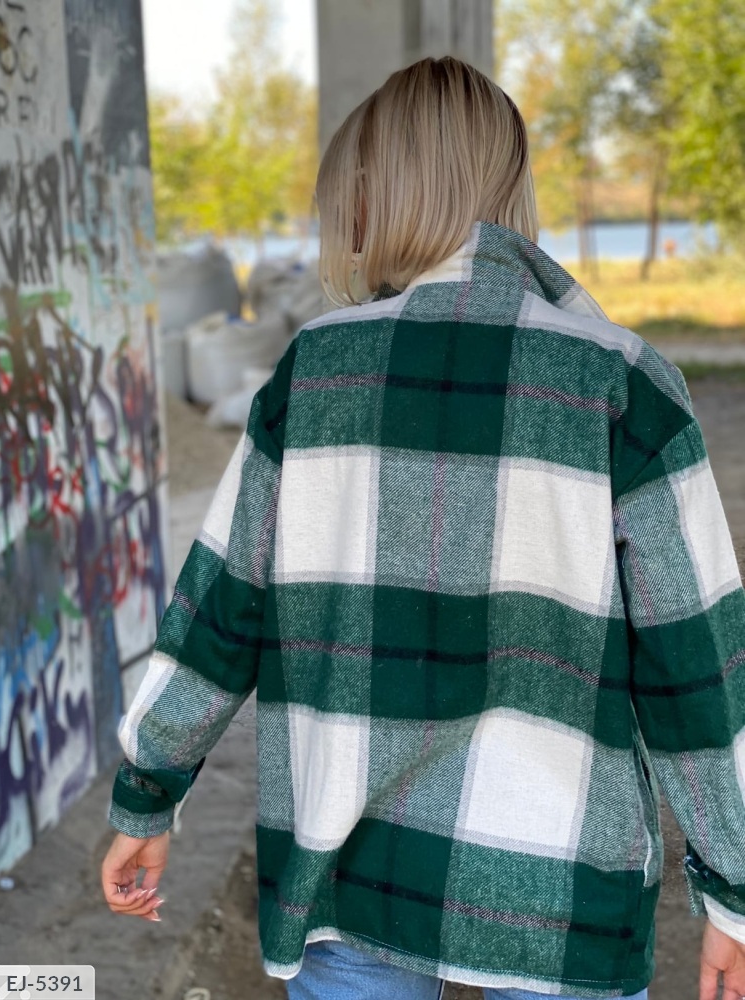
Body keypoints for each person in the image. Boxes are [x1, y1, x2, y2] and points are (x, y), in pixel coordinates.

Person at [101, 57, 745, 1000]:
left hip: (349, 871)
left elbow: (218, 614)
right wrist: (733, 890)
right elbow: (701, 666)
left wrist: (147, 792)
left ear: (370, 195)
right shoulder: (622, 381)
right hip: (559, 886)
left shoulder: (314, 372)